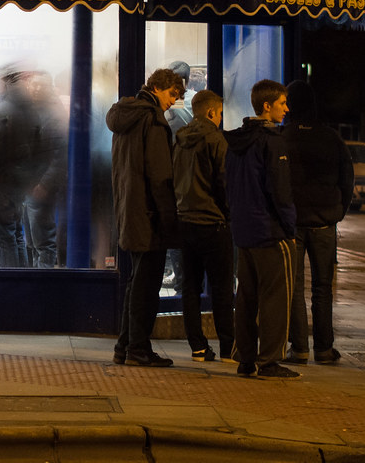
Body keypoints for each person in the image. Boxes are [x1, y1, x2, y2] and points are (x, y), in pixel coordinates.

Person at [107, 67, 184, 368]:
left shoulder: (125, 115)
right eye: (172, 94)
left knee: (137, 281)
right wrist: (169, 219)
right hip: (150, 214)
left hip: (130, 209)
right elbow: (160, 176)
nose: (173, 102)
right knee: (146, 285)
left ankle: (125, 345)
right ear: (158, 88)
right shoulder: (152, 120)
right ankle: (138, 348)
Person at [225, 79, 298, 379]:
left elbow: (228, 185)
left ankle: (245, 358)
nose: (286, 109)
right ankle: (269, 360)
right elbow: (280, 191)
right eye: (282, 104)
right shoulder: (272, 141)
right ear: (267, 107)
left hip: (244, 230)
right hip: (270, 231)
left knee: (246, 296)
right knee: (276, 298)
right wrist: (289, 227)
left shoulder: (237, 141)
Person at [282, 79, 354, 366]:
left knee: (295, 287)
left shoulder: (284, 136)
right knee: (323, 287)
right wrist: (338, 212)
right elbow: (347, 179)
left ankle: (298, 348)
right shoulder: (331, 137)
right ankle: (324, 348)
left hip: (294, 223)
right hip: (325, 224)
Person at [172, 89, 234, 363]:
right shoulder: (216, 139)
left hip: (186, 221)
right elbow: (223, 182)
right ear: (211, 112)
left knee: (190, 287)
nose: (220, 119)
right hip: (212, 222)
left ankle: (198, 347)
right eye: (219, 114)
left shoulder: (181, 138)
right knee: (221, 288)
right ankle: (228, 348)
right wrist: (228, 213)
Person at [0, 61, 41, 268]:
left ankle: (10, 288)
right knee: (16, 235)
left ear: (3, 82)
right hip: (17, 184)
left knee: (4, 239)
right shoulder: (30, 111)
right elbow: (38, 149)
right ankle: (20, 279)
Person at [24, 70, 68, 268]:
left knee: (43, 242)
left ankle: (43, 287)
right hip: (26, 185)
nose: (36, 88)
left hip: (41, 186)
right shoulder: (29, 110)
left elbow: (60, 156)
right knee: (31, 242)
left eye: (41, 85)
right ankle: (34, 284)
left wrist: (45, 184)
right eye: (33, 84)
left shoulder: (54, 114)